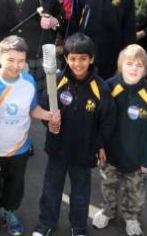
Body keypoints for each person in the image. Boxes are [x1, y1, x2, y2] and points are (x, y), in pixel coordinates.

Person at [0, 36, 60, 236]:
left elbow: (32, 109)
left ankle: (10, 212)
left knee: (15, 186)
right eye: (11, 60)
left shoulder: (29, 82)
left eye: (21, 61)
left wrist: (49, 115)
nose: (16, 65)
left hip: (19, 148)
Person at [34, 34, 114, 236]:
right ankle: (45, 224)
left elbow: (107, 120)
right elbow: (45, 108)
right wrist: (48, 121)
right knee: (51, 189)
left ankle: (78, 227)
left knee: (80, 193)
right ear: (66, 59)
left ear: (91, 59)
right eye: (73, 58)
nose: (77, 64)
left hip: (85, 151)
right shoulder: (57, 81)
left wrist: (100, 144)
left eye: (83, 59)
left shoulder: (101, 88)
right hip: (58, 148)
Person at [92, 45, 147, 236]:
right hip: (110, 154)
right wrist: (99, 147)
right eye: (129, 64)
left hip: (137, 159)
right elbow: (98, 121)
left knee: (136, 194)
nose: (134, 69)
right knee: (108, 187)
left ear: (146, 69)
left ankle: (131, 217)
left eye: (139, 65)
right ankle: (107, 210)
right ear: (121, 65)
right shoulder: (109, 86)